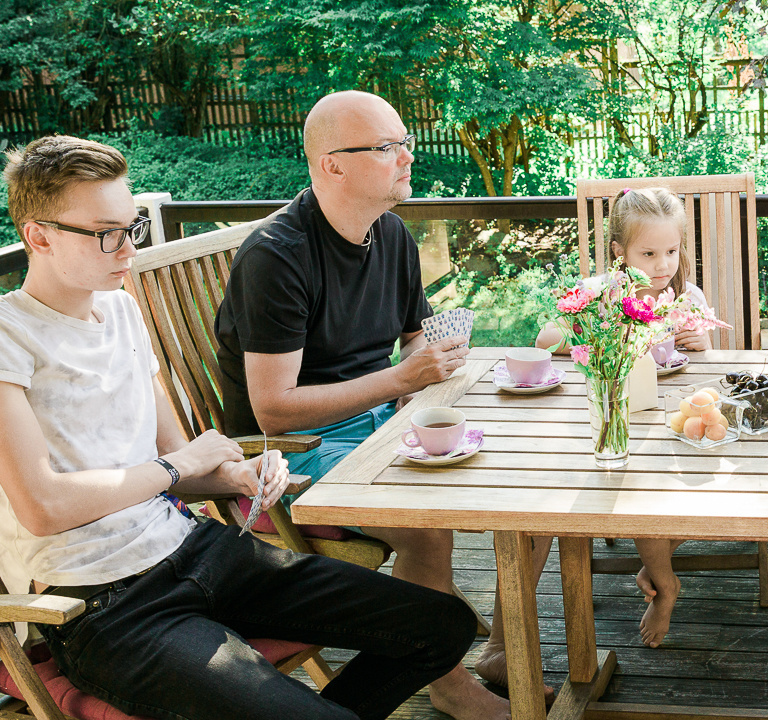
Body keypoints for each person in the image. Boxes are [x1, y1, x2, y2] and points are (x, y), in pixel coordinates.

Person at [0, 135, 506, 720]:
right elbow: (42, 506)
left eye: (131, 228)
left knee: (441, 625)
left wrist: (236, 473)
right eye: (105, 232)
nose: (126, 248)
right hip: (101, 603)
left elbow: (178, 467)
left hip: (199, 551)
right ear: (39, 235)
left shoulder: (120, 309)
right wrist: (182, 465)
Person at [210, 90, 534, 698]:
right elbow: (272, 410)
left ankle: (496, 648)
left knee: (515, 468)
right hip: (285, 451)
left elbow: (414, 339)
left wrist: (425, 370)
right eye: (388, 148)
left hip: (377, 421)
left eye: (405, 142)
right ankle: (450, 687)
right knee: (427, 523)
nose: (408, 157)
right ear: (332, 164)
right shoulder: (277, 256)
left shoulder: (390, 235)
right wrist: (400, 382)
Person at [535, 186, 715, 649]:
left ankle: (659, 570)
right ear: (619, 252)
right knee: (639, 488)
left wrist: (701, 345)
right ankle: (665, 582)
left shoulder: (684, 295)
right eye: (649, 252)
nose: (662, 265)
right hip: (618, 418)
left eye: (671, 251)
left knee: (693, 480)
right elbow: (544, 339)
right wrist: (597, 321)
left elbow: (707, 359)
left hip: (672, 422)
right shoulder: (604, 293)